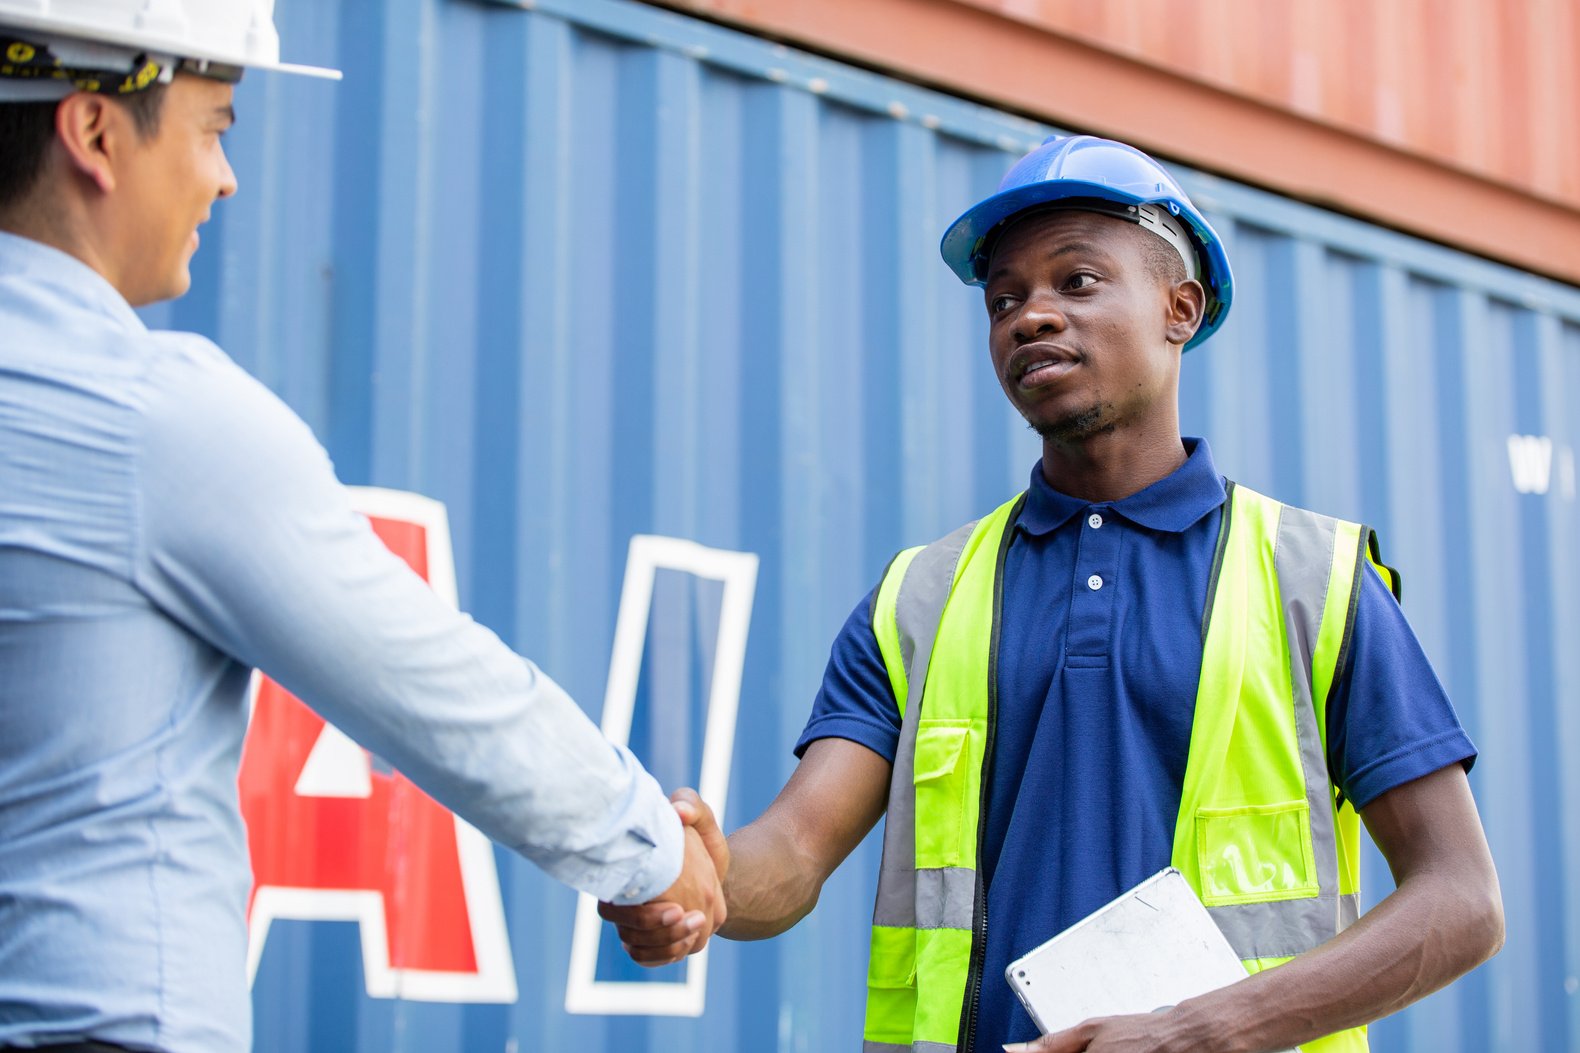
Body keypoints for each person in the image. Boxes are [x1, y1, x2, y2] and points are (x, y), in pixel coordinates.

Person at [602, 135, 1504, 1052]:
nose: (1029, 316)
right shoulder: (920, 598)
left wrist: (1196, 1031)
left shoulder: (1315, 577)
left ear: (1178, 309)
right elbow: (792, 854)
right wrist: (704, 874)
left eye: (1075, 282)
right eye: (1004, 299)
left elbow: (1462, 899)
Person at [0, 3, 724, 1051]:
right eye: (213, 128)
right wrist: (655, 853)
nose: (223, 179)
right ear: (98, 134)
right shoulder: (148, 418)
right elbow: (438, 691)